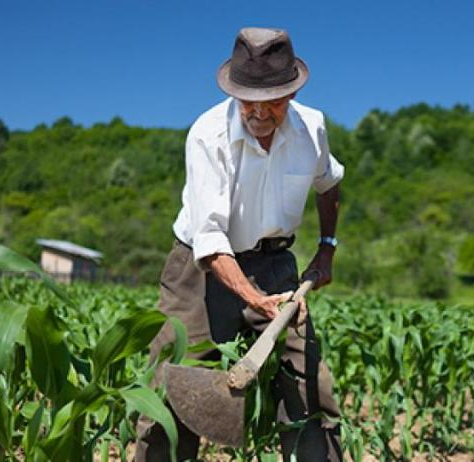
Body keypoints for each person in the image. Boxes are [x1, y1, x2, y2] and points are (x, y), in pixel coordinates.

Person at [135, 27, 344, 461]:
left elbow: (329, 184)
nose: (261, 113)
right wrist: (254, 299)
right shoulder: (208, 136)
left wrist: (326, 247)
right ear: (235, 90)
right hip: (199, 272)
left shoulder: (312, 128)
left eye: (274, 102)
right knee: (171, 391)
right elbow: (210, 241)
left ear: (291, 93)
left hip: (275, 265)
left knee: (307, 383)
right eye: (250, 100)